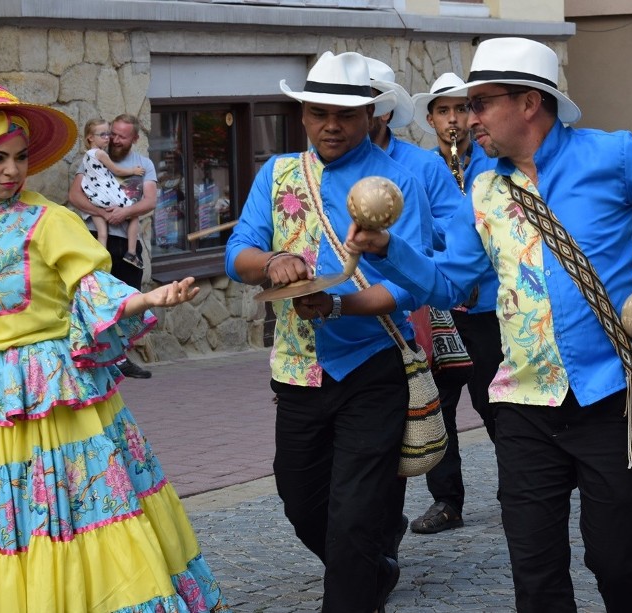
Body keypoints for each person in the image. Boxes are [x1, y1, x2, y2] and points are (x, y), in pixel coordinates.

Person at [345, 37, 632, 612]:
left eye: (480, 103)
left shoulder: (615, 157)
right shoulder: (482, 189)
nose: (467, 119)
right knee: (534, 570)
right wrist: (385, 247)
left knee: (619, 559)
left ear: (530, 102)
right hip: (522, 404)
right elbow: (451, 281)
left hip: (611, 397)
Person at [0, 83, 229, 612]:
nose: (12, 171)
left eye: (19, 158)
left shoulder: (49, 220)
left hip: (51, 396)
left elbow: (93, 289)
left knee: (69, 513)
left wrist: (148, 297)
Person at [225, 50, 434, 613]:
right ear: (304, 115)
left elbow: (413, 286)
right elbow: (236, 253)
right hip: (297, 370)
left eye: (345, 114)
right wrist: (271, 262)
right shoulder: (279, 174)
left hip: (373, 366)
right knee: (300, 500)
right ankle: (370, 567)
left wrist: (339, 307)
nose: (332, 125)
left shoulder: (400, 180)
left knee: (355, 512)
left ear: (372, 114)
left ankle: (352, 592)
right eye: (319, 113)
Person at [364, 56, 468, 545]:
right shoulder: (317, 168)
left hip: (419, 305)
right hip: (345, 321)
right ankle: (387, 522)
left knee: (432, 405)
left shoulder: (422, 165)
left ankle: (482, 493)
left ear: (380, 114)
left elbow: (452, 228)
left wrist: (407, 243)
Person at [406, 72, 502, 535]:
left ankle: (518, 490)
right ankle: (447, 501)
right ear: (430, 119)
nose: (453, 119)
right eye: (444, 111)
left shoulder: (491, 163)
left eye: (461, 109)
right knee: (439, 405)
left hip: (486, 309)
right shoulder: (421, 168)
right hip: (440, 310)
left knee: (496, 403)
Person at [69, 113, 158, 379]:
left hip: (128, 243)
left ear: (134, 139)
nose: (115, 140)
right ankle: (97, 357)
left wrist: (123, 213)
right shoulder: (95, 157)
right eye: (113, 134)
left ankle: (121, 357)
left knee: (130, 300)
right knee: (96, 299)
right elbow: (74, 195)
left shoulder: (144, 164)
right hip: (97, 238)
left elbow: (150, 200)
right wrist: (102, 212)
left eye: (122, 136)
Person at [79, 118, 145, 268]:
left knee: (102, 233)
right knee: (133, 215)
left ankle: (100, 263)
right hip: (106, 195)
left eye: (108, 134)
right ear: (90, 137)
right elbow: (116, 170)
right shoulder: (100, 154)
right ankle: (132, 252)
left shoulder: (86, 156)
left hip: (94, 199)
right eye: (103, 135)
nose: (107, 138)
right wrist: (133, 171)